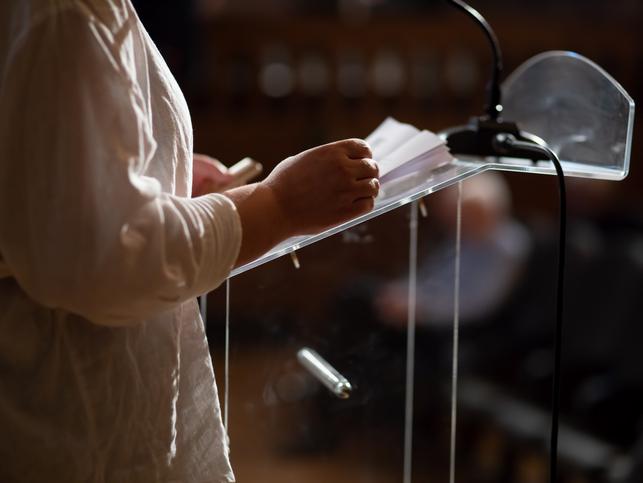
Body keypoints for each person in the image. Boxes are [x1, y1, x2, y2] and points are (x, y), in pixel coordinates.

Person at [0, 1, 379, 481]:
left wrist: (148, 172)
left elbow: (36, 163)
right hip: (68, 426)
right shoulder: (67, 10)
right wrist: (277, 207)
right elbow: (107, 259)